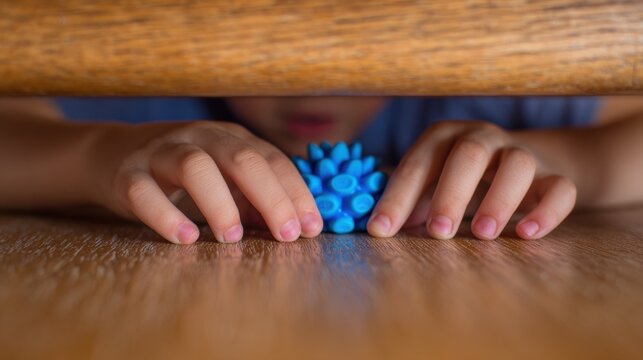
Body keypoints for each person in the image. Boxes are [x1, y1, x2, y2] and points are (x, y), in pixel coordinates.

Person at [1, 96, 643, 244]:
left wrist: (565, 160)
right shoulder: (138, 88)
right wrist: (93, 156)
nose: (313, 85)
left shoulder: (491, 84)